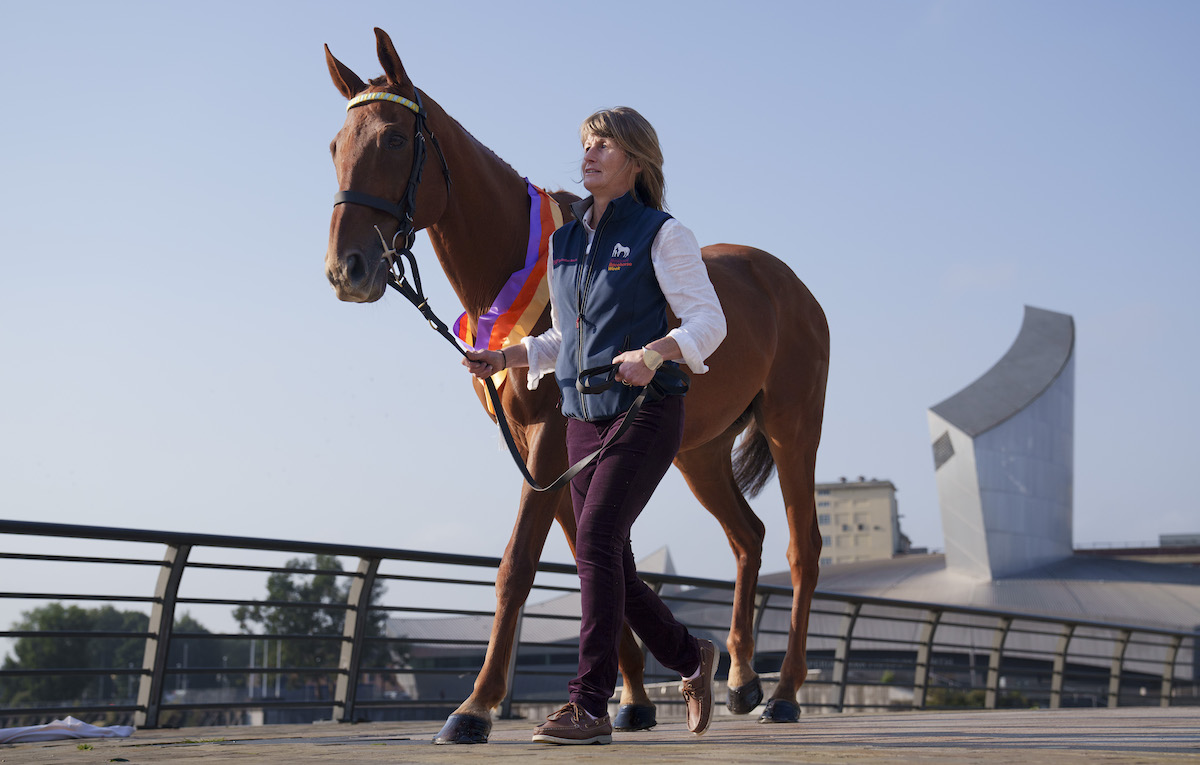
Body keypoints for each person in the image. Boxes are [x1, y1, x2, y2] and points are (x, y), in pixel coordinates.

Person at [463, 106, 727, 745]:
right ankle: (692, 658)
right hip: (582, 418)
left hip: (646, 412)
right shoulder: (565, 241)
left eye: (603, 143)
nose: (589, 153)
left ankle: (588, 705)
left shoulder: (664, 235)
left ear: (636, 162)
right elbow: (566, 338)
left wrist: (656, 352)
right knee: (602, 556)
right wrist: (509, 356)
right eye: (585, 142)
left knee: (600, 540)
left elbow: (709, 323)